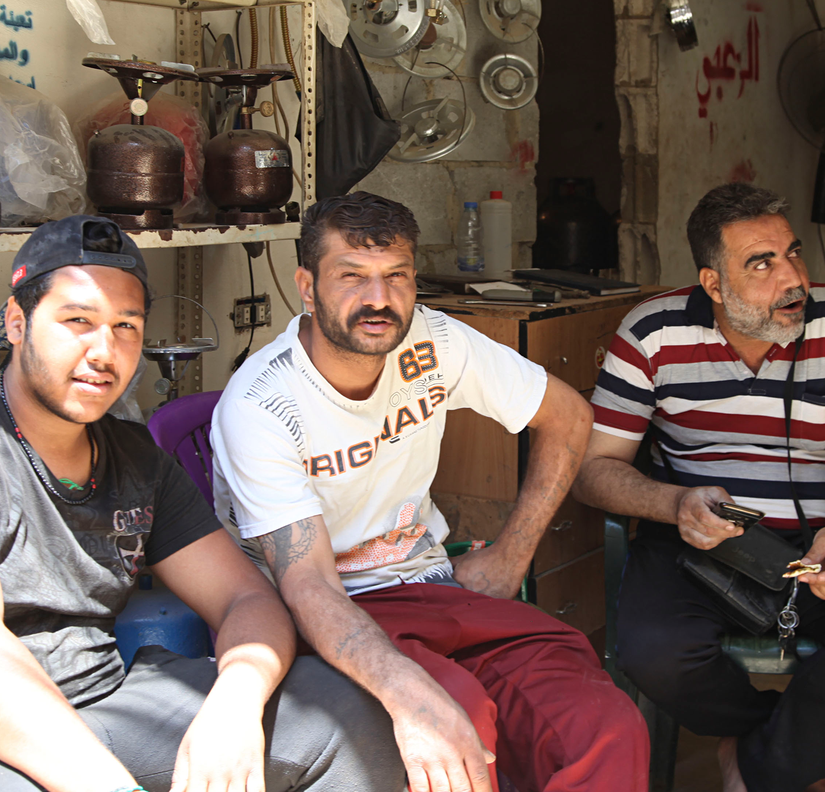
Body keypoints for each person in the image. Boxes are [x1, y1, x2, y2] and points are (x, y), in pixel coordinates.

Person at [0, 215, 403, 792]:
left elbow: (244, 597)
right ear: (17, 323)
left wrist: (235, 703)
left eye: (126, 326)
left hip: (98, 709)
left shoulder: (133, 458)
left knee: (347, 712)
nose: (105, 350)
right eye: (78, 321)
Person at [210, 191, 649, 792]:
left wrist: (512, 555)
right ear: (307, 288)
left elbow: (569, 417)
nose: (379, 300)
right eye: (352, 277)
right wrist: (409, 694)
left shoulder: (436, 341)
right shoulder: (262, 404)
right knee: (457, 735)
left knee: (604, 727)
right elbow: (308, 585)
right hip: (321, 617)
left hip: (432, 589)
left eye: (397, 277)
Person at [571, 182, 825, 792]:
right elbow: (594, 468)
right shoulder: (651, 333)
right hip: (698, 545)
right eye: (761, 264)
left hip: (824, 545)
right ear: (713, 284)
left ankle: (757, 769)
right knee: (654, 650)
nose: (792, 279)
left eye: (793, 253)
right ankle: (795, 760)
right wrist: (673, 503)